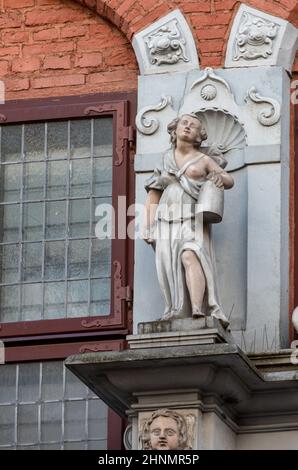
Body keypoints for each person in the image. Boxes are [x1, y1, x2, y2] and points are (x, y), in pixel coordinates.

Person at [143, 113, 234, 328]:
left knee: (190, 255)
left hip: (192, 217)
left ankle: (198, 309)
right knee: (169, 263)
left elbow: (229, 179)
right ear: (174, 131)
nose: (187, 127)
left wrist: (217, 178)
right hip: (166, 217)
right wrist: (147, 226)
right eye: (184, 123)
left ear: (198, 137)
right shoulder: (165, 159)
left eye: (193, 126)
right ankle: (176, 308)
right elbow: (153, 195)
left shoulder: (204, 159)